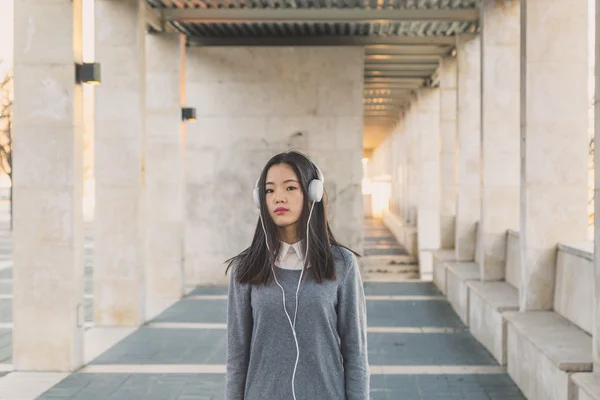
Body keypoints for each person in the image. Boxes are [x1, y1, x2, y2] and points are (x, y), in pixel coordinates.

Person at [224, 150, 370, 400]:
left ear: (312, 193)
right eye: (269, 191)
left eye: (290, 188)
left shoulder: (342, 264)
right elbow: (237, 356)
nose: (278, 197)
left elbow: (355, 352)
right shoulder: (244, 268)